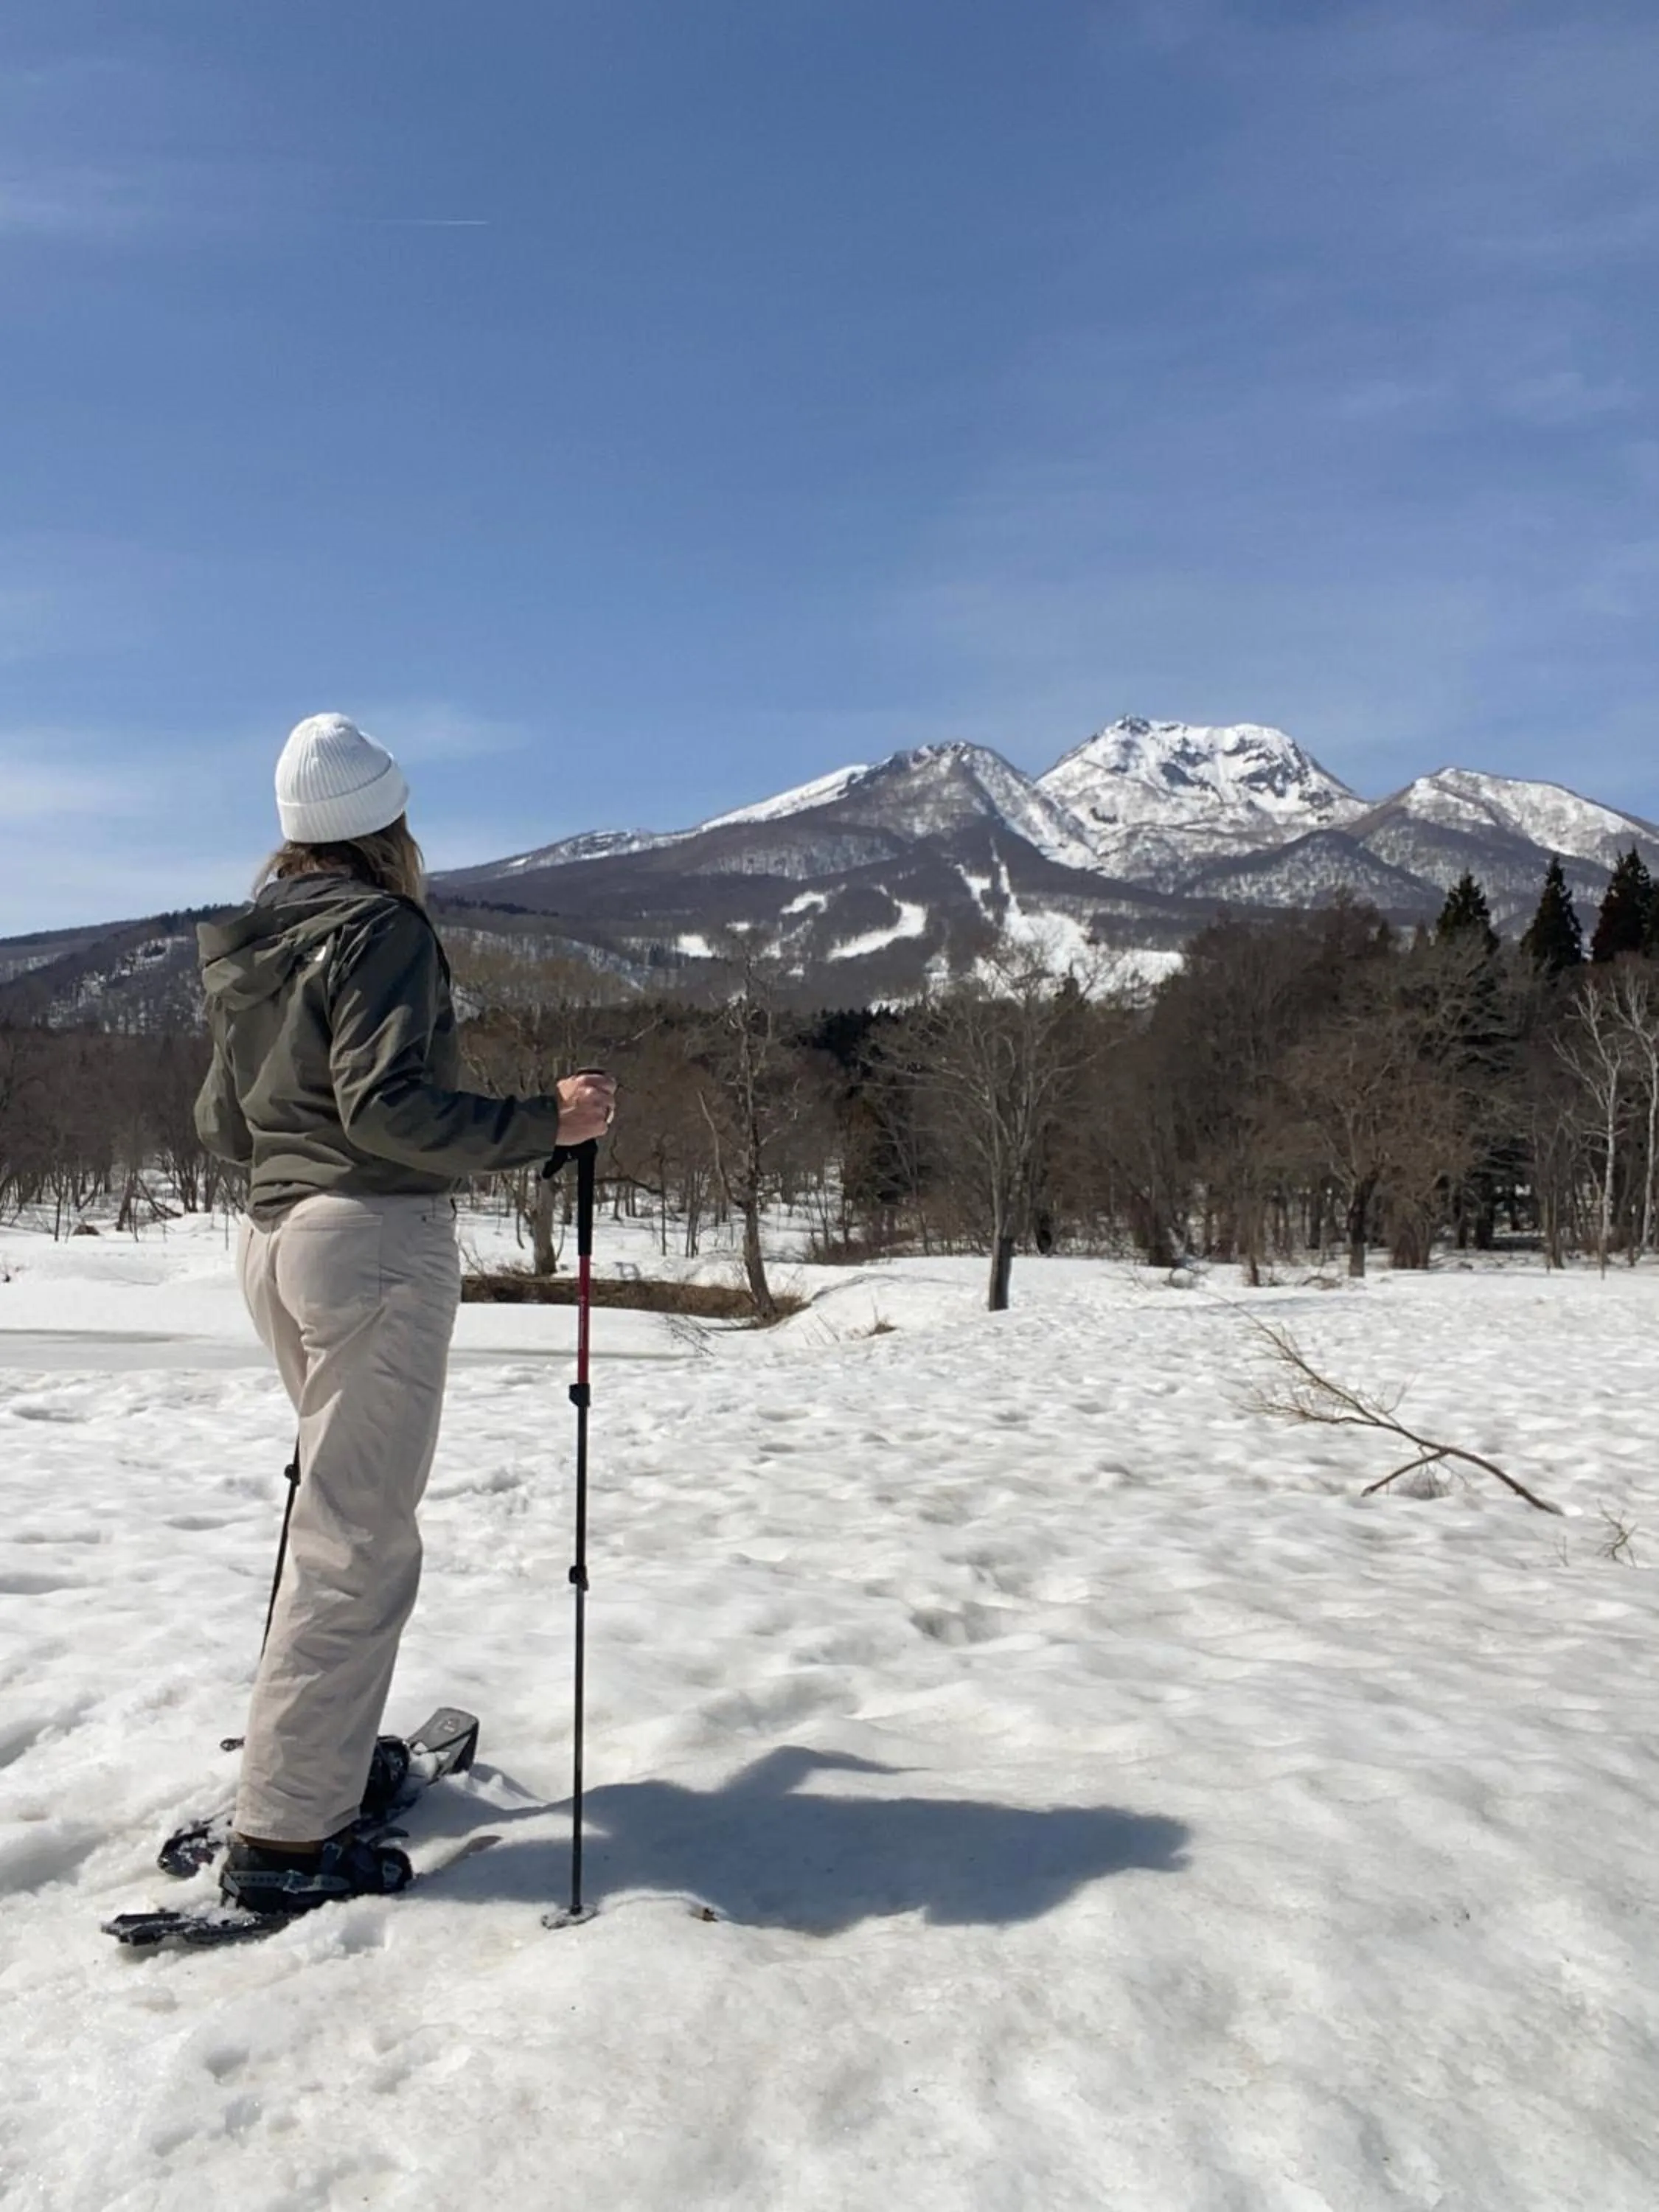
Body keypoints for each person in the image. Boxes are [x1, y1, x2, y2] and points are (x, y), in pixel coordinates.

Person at [193, 712, 616, 1918]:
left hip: (271, 1240)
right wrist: (546, 1121)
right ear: (387, 823)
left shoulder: (253, 939)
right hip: (369, 1239)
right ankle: (284, 1832)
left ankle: (309, 1768)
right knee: (357, 1535)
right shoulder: (382, 928)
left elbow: (222, 1126)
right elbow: (390, 1113)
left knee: (330, 1520)